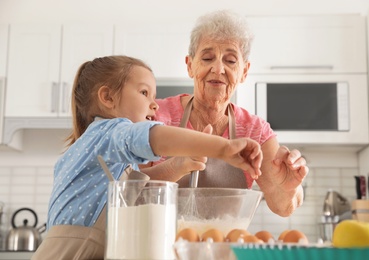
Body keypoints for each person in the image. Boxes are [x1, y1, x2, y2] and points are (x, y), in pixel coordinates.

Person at [32, 55, 262, 260]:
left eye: (154, 95)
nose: (154, 103)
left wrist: (179, 165)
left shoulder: (101, 148)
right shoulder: (111, 130)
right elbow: (154, 136)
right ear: (108, 97)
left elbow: (137, 188)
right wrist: (223, 148)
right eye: (144, 93)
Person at [141, 9, 309, 218]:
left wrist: (289, 187)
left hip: (223, 246)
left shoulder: (254, 131)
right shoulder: (155, 115)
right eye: (207, 58)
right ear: (190, 65)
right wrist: (175, 166)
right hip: (158, 246)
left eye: (230, 61)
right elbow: (129, 190)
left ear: (244, 72)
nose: (218, 69)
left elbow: (283, 205)